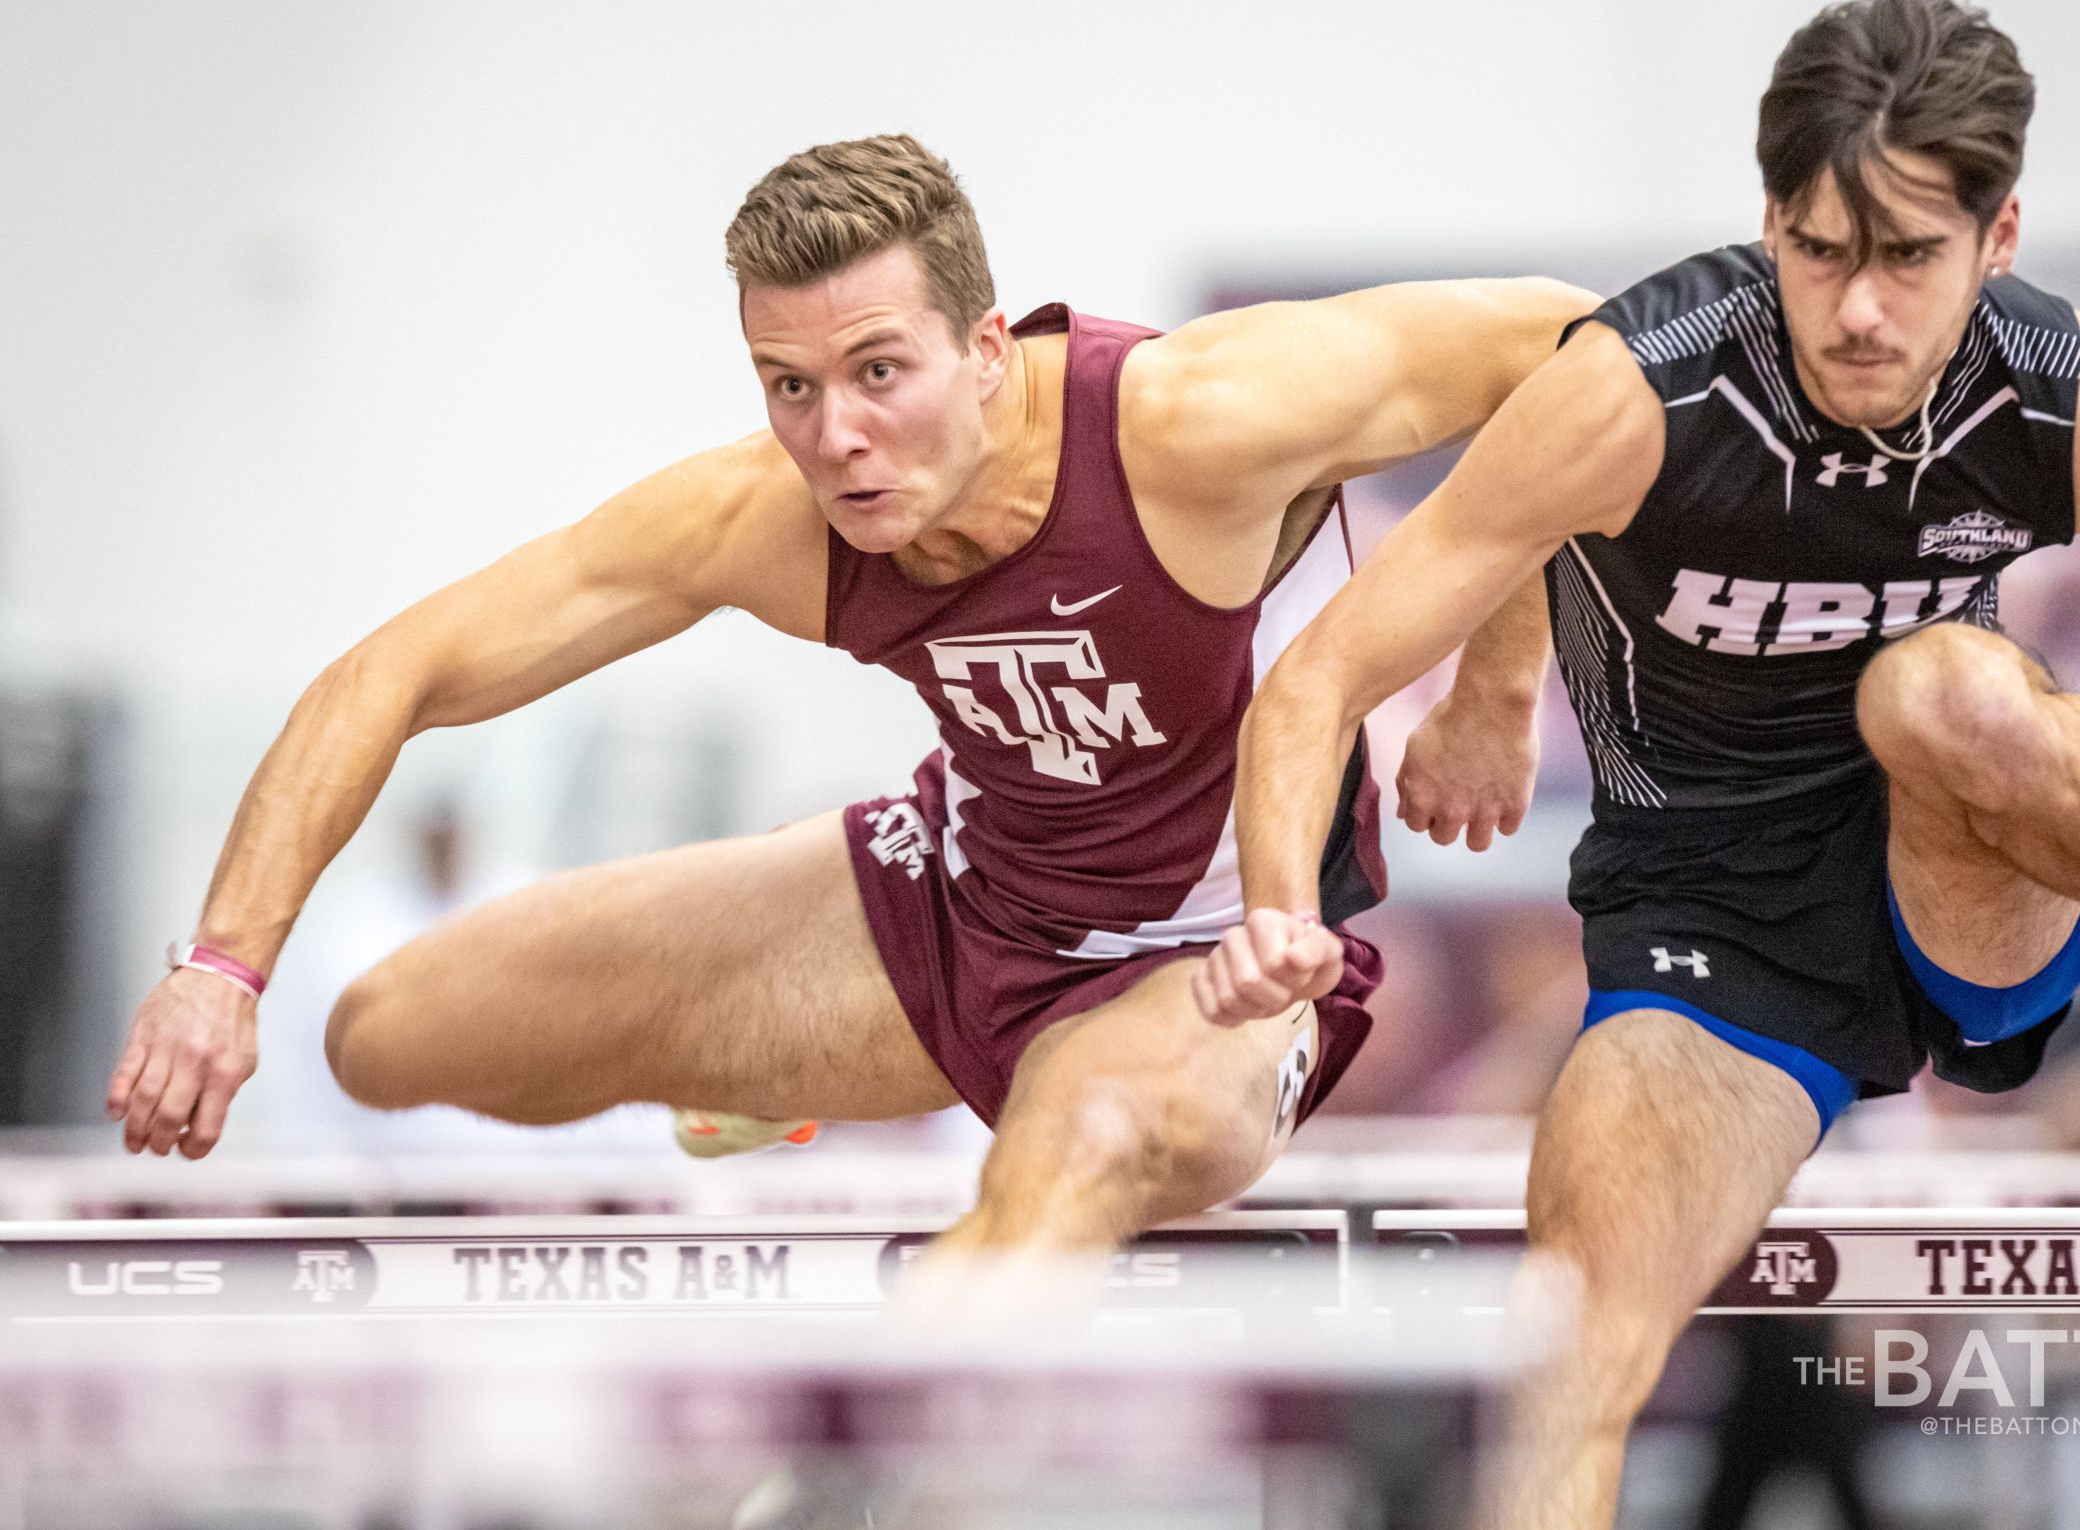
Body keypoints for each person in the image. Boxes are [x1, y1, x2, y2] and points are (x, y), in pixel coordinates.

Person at [1204, 0, 2080, 1527]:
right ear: (1770, 221)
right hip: (1710, 933)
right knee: (1567, 1366)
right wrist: (1275, 919)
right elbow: (1315, 679)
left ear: (2000, 239)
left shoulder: (2061, 395)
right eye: (1822, 250)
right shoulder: (1640, 389)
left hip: (1961, 866)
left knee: (1935, 692)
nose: (1857, 310)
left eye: (1910, 257)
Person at [105, 134, 1575, 1270]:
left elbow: (1568, 349)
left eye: (880, 372)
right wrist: (222, 973)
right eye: (789, 387)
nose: (840, 439)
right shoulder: (768, 517)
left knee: (1077, 1144)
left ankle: (876, 1439)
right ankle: (769, 1077)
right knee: (384, 1032)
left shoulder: (1192, 422)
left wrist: (1495, 690)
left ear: (988, 350)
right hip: (961, 903)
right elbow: (393, 670)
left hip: (1213, 967)